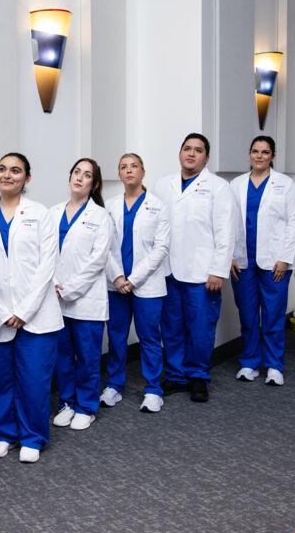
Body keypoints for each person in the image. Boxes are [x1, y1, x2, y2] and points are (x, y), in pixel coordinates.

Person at [0, 153, 63, 463]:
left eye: (15, 171)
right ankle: (4, 433)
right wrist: (0, 311)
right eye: (2, 169)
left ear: (27, 179)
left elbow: (47, 266)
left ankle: (32, 435)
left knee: (33, 379)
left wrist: (24, 311)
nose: (7, 175)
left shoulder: (40, 214)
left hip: (37, 314)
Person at [154, 133, 236, 402]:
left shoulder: (218, 187)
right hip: (168, 271)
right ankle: (176, 376)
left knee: (200, 329)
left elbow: (226, 232)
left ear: (206, 157)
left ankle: (199, 377)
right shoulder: (162, 185)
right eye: (186, 149)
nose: (191, 154)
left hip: (203, 273)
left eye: (198, 150)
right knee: (172, 327)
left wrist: (218, 270)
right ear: (179, 153)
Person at [229, 136, 295, 386]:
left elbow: (294, 222)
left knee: (272, 315)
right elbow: (226, 223)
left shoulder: (285, 184)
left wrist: (285, 258)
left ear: (273, 156)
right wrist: (229, 256)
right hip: (242, 260)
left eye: (265, 152)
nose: (259, 156)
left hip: (275, 263)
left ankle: (273, 365)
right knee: (248, 315)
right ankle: (249, 363)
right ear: (249, 154)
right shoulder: (236, 184)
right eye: (255, 151)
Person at [101, 153, 170, 412]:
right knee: (116, 337)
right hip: (115, 284)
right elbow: (103, 247)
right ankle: (114, 386)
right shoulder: (109, 206)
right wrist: (118, 277)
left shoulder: (158, 205)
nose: (129, 171)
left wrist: (133, 279)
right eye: (123, 167)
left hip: (147, 284)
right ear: (119, 174)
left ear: (143, 171)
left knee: (150, 337)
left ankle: (153, 389)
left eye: (134, 166)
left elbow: (161, 248)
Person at [49, 158, 111, 430]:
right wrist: (51, 285)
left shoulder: (101, 216)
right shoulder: (51, 213)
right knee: (62, 355)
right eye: (76, 172)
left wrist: (69, 289)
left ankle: (87, 406)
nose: (80, 178)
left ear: (94, 184)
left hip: (86, 299)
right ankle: (68, 402)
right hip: (54, 298)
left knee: (87, 355)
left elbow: (98, 260)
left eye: (87, 175)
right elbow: (42, 254)